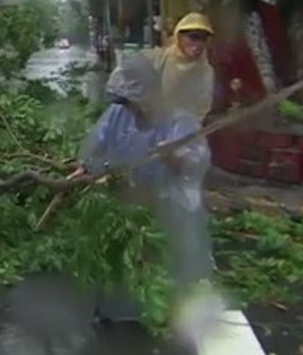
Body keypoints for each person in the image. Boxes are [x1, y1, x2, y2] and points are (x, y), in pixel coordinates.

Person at [78, 53, 217, 327]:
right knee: (121, 259)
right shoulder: (118, 114)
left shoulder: (180, 120)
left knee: (161, 260)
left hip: (164, 206)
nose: (131, 107)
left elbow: (195, 164)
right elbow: (94, 148)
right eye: (126, 100)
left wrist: (172, 157)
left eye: (135, 99)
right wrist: (87, 168)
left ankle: (166, 309)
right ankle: (114, 312)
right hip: (123, 202)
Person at [150, 12, 216, 122]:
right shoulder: (160, 59)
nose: (198, 44)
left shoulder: (206, 70)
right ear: (179, 37)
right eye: (193, 37)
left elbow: (203, 106)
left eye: (203, 39)